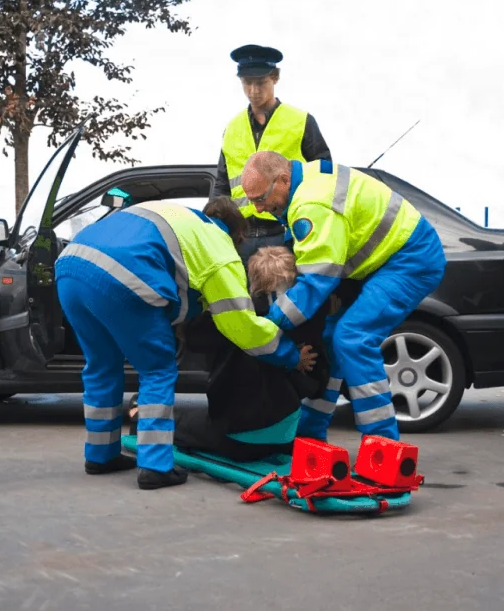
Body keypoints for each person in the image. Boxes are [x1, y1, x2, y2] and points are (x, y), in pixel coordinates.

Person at [54, 197, 318, 490]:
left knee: (101, 367)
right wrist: (290, 355)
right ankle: (155, 466)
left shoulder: (182, 220)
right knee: (157, 371)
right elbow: (242, 327)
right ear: (236, 236)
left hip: (70, 266)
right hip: (122, 274)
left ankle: (100, 455)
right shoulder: (219, 248)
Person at [240, 151, 448, 443]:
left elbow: (317, 279)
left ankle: (383, 446)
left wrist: (271, 325)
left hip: (409, 259)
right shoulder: (303, 183)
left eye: (260, 198)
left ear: (283, 180)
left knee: (353, 338)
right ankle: (310, 435)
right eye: (252, 201)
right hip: (381, 261)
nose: (259, 209)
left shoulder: (311, 204)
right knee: (332, 339)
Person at [130, 246, 334, 462]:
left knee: (183, 422)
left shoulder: (234, 319)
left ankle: (140, 415)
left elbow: (192, 337)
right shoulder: (304, 325)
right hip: (284, 437)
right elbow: (316, 385)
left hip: (236, 439)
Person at [213, 44, 332, 264]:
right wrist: (213, 227)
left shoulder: (301, 120)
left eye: (260, 83)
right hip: (243, 238)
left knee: (290, 295)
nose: (253, 91)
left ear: (275, 77)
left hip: (288, 231)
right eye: (247, 83)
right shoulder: (232, 128)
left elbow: (324, 173)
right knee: (243, 298)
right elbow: (222, 184)